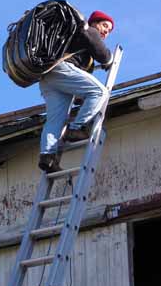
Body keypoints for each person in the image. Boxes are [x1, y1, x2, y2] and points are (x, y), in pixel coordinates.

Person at [38, 10, 114, 173]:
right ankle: (76, 128)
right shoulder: (89, 30)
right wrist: (109, 59)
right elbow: (103, 54)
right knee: (100, 92)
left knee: (55, 119)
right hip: (61, 69)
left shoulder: (80, 44)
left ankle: (47, 157)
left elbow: (81, 86)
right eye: (104, 26)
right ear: (95, 23)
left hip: (48, 77)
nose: (106, 31)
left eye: (109, 31)